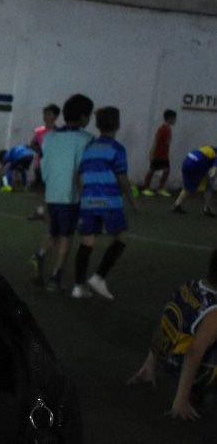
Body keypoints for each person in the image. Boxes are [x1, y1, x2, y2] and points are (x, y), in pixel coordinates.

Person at [128, 248, 217, 421]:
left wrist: (149, 364)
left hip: (169, 358)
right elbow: (194, 352)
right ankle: (197, 389)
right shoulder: (215, 312)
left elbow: (167, 321)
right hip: (186, 366)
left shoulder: (190, 286)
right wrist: (180, 400)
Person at [30, 94, 94, 291]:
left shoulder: (49, 137)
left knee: (54, 231)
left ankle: (40, 255)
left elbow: (44, 166)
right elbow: (83, 171)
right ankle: (55, 277)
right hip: (70, 195)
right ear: (83, 116)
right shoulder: (86, 139)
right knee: (66, 236)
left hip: (52, 192)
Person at [72, 106, 136, 300]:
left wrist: (83, 195)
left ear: (98, 125)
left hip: (89, 200)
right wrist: (132, 200)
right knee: (122, 237)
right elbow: (122, 177)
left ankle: (78, 286)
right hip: (109, 201)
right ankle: (99, 277)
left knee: (87, 240)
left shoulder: (89, 147)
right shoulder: (117, 149)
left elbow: (79, 174)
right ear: (117, 125)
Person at [27, 102, 61, 219]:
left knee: (51, 190)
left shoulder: (58, 132)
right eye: (44, 114)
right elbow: (33, 144)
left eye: (49, 114)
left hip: (53, 166)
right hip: (40, 165)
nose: (45, 116)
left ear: (55, 116)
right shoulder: (39, 131)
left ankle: (51, 212)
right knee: (39, 190)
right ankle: (40, 211)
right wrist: (39, 151)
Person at [171, 145, 217, 215]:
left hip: (186, 162)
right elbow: (213, 171)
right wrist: (212, 177)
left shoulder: (210, 149)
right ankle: (207, 208)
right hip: (196, 165)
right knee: (208, 186)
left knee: (187, 187)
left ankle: (177, 205)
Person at [141, 109, 176, 196]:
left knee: (166, 171)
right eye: (174, 118)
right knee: (152, 170)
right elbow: (156, 140)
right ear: (169, 119)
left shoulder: (168, 129)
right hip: (158, 154)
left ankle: (160, 189)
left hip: (164, 155)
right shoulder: (162, 129)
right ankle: (145, 188)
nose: (175, 120)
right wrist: (152, 152)